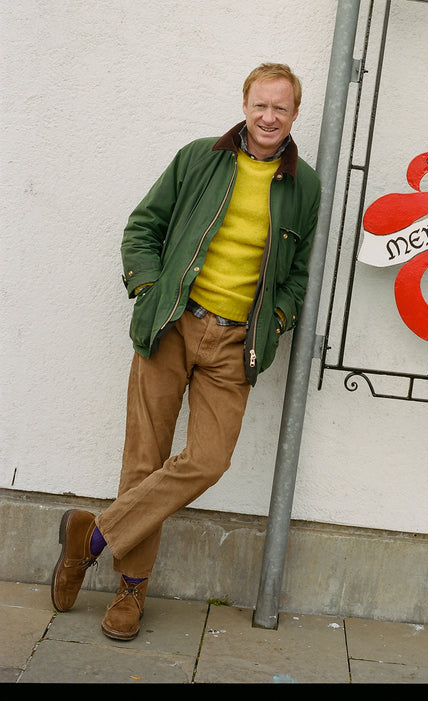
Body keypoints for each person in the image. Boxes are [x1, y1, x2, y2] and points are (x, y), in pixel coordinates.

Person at [49, 63, 321, 640]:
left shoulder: (306, 185)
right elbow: (143, 228)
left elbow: (297, 274)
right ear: (245, 106)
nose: (269, 117)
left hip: (236, 343)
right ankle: (130, 592)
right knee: (143, 459)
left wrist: (276, 318)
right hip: (173, 324)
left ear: (296, 114)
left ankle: (92, 535)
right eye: (260, 105)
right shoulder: (200, 158)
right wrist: (148, 290)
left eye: (281, 108)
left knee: (208, 460)